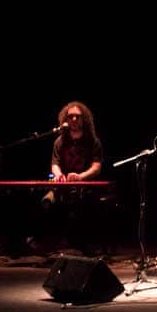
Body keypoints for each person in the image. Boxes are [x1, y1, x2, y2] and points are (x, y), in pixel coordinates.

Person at [42, 101, 106, 253]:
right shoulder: (60, 141)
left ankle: (79, 246)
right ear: (66, 119)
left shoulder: (93, 141)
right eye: (71, 117)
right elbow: (55, 164)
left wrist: (80, 177)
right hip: (63, 187)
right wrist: (59, 176)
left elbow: (96, 167)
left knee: (79, 207)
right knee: (46, 202)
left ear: (84, 119)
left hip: (86, 187)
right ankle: (52, 244)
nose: (74, 120)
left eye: (77, 116)